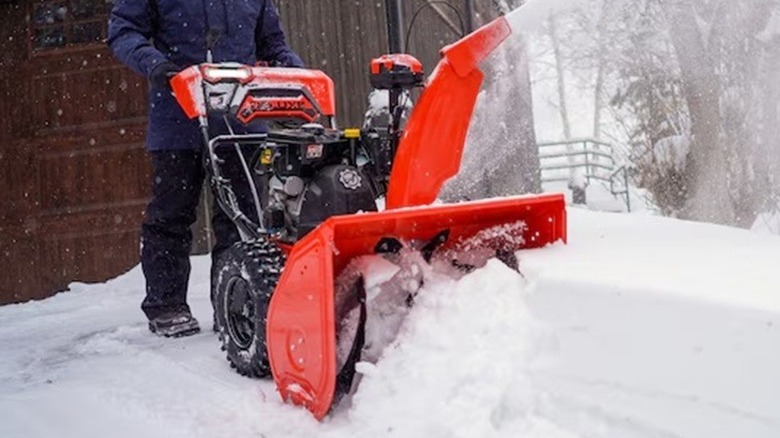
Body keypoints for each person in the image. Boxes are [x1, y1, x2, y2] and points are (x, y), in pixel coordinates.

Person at [107, 0, 303, 337]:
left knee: (243, 220)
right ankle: (167, 305)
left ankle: (234, 303)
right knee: (172, 215)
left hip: (241, 120)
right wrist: (157, 65)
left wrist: (294, 70)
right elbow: (123, 31)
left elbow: (271, 43)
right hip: (178, 118)